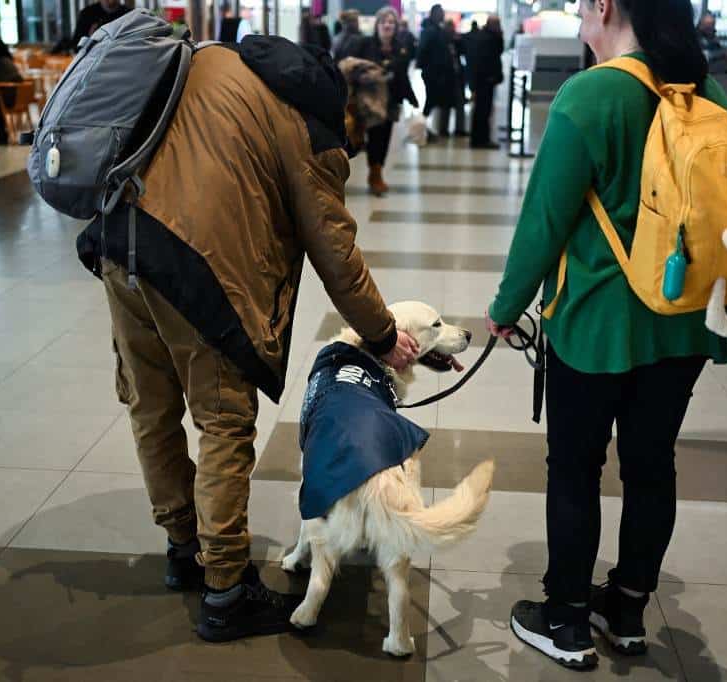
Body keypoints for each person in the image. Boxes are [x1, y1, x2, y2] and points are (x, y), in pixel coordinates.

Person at [75, 35, 418, 643]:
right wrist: (383, 333)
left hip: (117, 240)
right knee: (225, 421)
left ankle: (184, 547)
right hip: (196, 268)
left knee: (151, 409)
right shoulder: (302, 118)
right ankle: (226, 591)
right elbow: (334, 249)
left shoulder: (211, 59)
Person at [485, 0, 727, 671]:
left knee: (575, 468)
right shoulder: (705, 91)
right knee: (652, 466)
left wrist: (506, 306)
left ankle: (564, 617)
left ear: (604, 7)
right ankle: (626, 610)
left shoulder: (590, 94)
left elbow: (546, 219)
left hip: (596, 322)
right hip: (684, 324)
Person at [350, 6, 419, 196]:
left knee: (385, 137)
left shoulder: (400, 47)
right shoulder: (365, 45)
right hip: (370, 101)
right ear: (377, 24)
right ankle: (375, 173)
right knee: (374, 137)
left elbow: (403, 75)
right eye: (384, 22)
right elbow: (353, 67)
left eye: (391, 22)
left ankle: (377, 172)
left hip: (391, 100)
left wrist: (412, 98)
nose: (388, 25)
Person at [416, 4, 456, 138]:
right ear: (434, 14)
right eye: (441, 13)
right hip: (432, 72)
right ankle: (420, 128)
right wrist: (425, 67)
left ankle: (425, 129)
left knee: (434, 100)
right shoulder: (430, 30)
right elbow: (423, 50)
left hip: (438, 72)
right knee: (430, 100)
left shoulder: (437, 29)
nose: (443, 15)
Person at [465, 15, 504, 149]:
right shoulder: (490, 38)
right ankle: (481, 140)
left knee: (481, 111)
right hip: (485, 81)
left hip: (482, 80)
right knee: (483, 111)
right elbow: (491, 58)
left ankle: (478, 139)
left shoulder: (483, 36)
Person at [443, 18, 468, 138]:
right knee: (446, 104)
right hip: (446, 77)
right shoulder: (442, 42)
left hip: (457, 77)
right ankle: (444, 128)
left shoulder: (457, 42)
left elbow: (464, 51)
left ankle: (459, 128)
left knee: (459, 103)